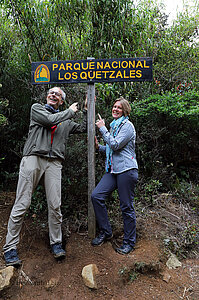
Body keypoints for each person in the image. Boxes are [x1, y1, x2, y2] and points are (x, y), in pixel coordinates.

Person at [3, 87, 87, 266]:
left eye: (58, 94)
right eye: (51, 93)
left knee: (55, 205)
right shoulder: (37, 109)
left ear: (62, 101)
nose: (53, 95)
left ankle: (56, 243)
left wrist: (87, 109)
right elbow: (49, 121)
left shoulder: (65, 120)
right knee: (22, 203)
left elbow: (85, 128)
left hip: (54, 162)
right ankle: (10, 248)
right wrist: (70, 111)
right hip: (33, 158)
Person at [91, 97, 138, 255]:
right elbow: (112, 149)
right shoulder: (115, 126)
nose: (115, 109)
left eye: (119, 107)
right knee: (96, 196)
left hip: (126, 170)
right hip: (113, 170)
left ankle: (129, 243)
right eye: (114, 106)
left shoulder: (127, 126)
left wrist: (102, 129)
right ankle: (106, 231)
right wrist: (99, 148)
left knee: (126, 207)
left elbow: (116, 145)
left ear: (125, 111)